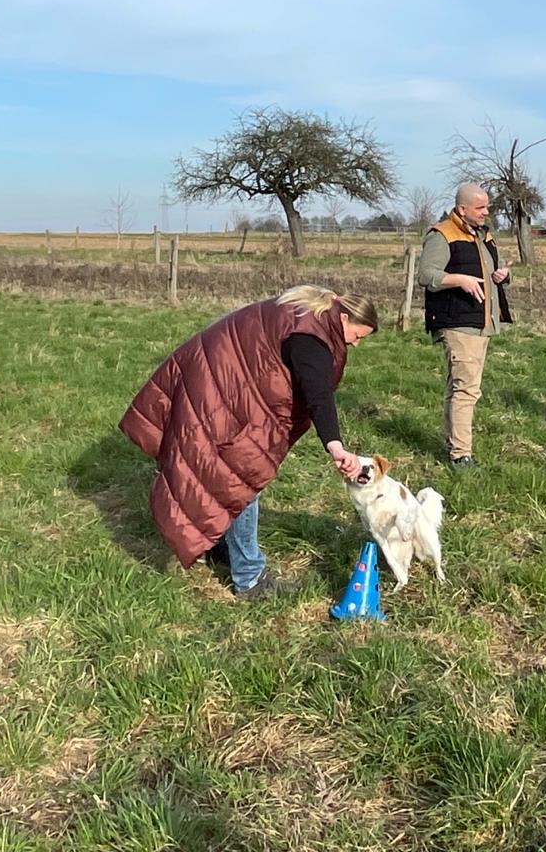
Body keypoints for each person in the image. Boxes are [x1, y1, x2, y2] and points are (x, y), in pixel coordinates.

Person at [118, 285, 378, 599]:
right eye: (358, 335)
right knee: (241, 476)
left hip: (219, 377)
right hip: (220, 389)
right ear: (344, 317)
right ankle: (249, 578)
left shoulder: (316, 311)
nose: (357, 343)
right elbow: (318, 396)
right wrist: (334, 445)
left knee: (222, 470)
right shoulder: (312, 338)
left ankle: (218, 546)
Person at [418, 182, 512, 469]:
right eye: (480, 207)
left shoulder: (484, 235)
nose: (487, 212)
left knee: (458, 387)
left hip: (481, 322)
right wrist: (460, 280)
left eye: (487, 206)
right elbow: (426, 274)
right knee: (467, 390)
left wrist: (503, 274)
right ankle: (461, 456)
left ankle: (453, 445)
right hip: (459, 322)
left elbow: (492, 269)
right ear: (462, 208)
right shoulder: (442, 234)